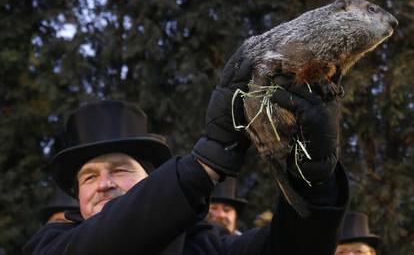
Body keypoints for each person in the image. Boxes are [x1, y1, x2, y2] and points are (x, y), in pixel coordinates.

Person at [24, 49, 349, 254]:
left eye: (120, 169)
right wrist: (205, 163)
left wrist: (314, 178)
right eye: (89, 177)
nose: (104, 183)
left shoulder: (200, 243)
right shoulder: (52, 243)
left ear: (150, 179)